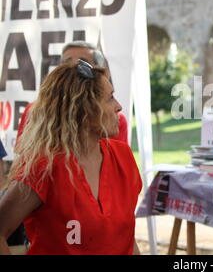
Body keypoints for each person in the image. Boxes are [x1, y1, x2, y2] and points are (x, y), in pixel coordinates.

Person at [0, 62, 142, 255]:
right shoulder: (43, 166)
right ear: (83, 109)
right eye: (110, 98)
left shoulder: (122, 157)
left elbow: (125, 236)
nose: (118, 106)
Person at [17, 41, 128, 144]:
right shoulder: (34, 111)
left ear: (98, 68)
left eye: (83, 63)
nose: (74, 68)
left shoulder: (116, 118)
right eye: (67, 63)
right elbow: (22, 156)